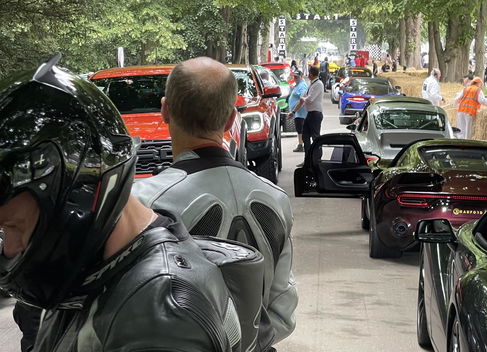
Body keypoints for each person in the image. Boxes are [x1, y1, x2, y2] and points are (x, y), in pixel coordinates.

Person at [0, 55, 263, 351]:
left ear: (79, 197)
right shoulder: (96, 270)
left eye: (14, 226)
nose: (10, 247)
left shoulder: (160, 318)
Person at [133, 57, 298, 351]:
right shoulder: (276, 199)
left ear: (165, 110)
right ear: (232, 119)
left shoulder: (142, 201)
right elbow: (282, 308)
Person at [289, 65, 323, 166]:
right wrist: (293, 112)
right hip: (310, 114)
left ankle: (317, 159)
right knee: (305, 136)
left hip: (315, 114)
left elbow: (310, 99)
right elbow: (302, 99)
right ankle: (308, 159)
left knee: (315, 137)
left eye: (309, 73)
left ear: (312, 74)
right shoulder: (311, 84)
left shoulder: (318, 84)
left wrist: (303, 99)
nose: (308, 75)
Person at [289, 70, 308, 152]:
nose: (295, 78)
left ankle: (302, 144)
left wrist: (294, 110)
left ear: (301, 76)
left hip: (300, 112)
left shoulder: (302, 86)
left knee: (301, 129)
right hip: (297, 112)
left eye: (297, 77)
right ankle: (300, 144)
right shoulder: (297, 85)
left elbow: (302, 99)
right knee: (299, 129)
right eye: (294, 76)